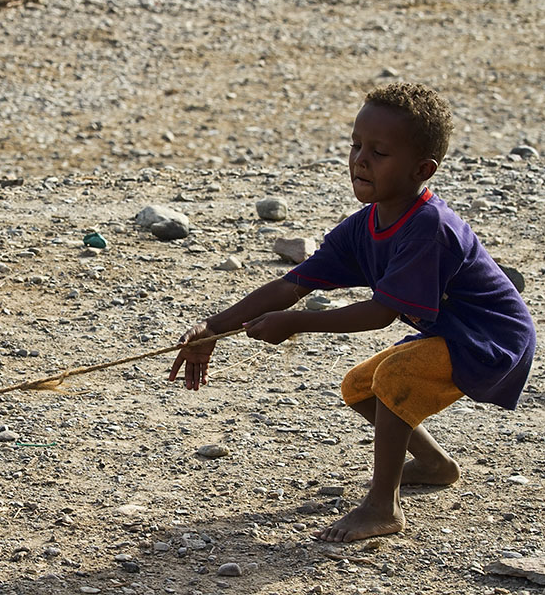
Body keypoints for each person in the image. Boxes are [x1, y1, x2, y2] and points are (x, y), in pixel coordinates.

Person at [169, 83, 535, 543]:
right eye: (356, 146)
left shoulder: (429, 229)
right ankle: (434, 464)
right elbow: (292, 284)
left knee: (396, 379)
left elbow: (381, 313)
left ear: (423, 170)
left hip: (491, 339)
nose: (360, 160)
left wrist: (296, 323)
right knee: (359, 386)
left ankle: (383, 507)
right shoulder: (363, 226)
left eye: (379, 152)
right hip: (451, 332)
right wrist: (213, 328)